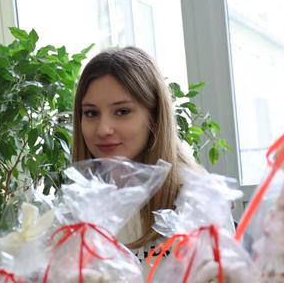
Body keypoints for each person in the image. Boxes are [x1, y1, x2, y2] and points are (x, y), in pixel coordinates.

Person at [71, 46, 200, 262]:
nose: (103, 129)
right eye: (91, 113)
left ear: (155, 117)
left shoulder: (196, 200)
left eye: (122, 112)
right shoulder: (77, 205)